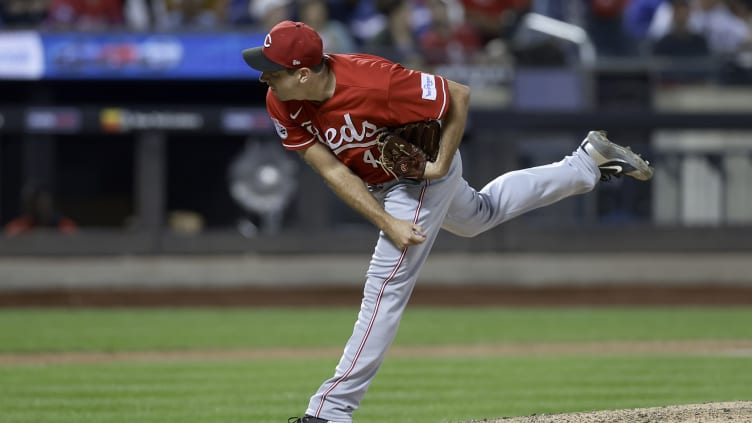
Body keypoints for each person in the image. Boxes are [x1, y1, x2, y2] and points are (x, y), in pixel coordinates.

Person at [241, 20, 654, 423]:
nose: (264, 79)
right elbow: (333, 171)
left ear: (302, 74)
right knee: (479, 215)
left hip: (418, 174)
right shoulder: (282, 101)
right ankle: (585, 164)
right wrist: (386, 219)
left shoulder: (374, 82)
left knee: (385, 286)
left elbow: (457, 95)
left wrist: (438, 167)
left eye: (271, 71)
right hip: (385, 184)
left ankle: (329, 412)